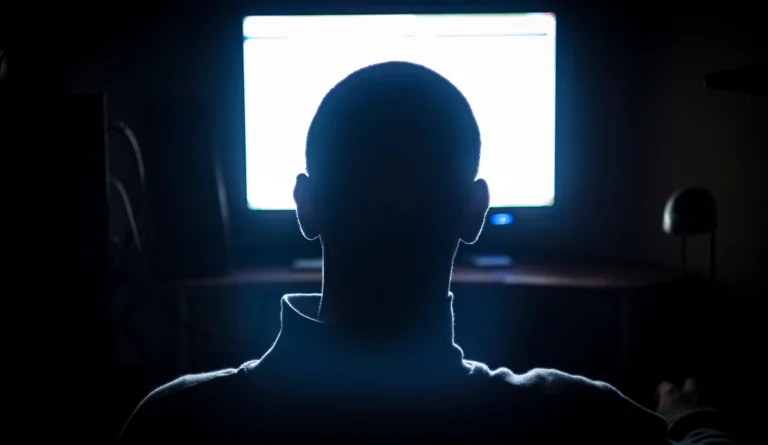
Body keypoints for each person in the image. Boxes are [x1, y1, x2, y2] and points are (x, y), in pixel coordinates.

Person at [118, 62, 736, 443]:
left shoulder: (174, 425)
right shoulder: (572, 419)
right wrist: (687, 417)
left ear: (305, 205)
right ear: (475, 212)